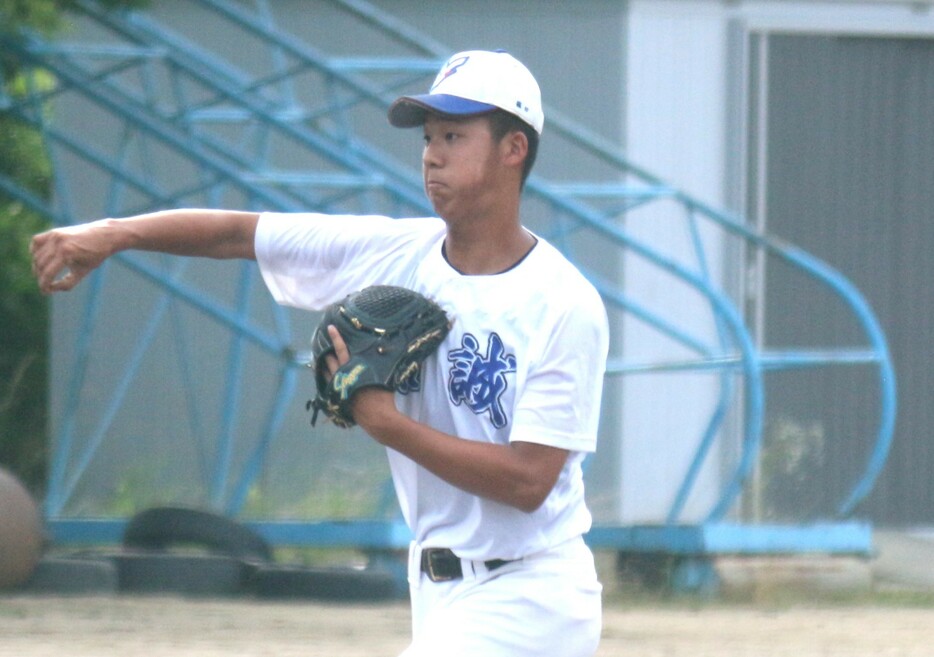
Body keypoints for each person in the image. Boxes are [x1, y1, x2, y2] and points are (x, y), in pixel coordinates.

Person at [31, 50, 609, 656]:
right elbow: (239, 233)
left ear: (513, 149)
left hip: (529, 592)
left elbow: (527, 481)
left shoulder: (563, 304)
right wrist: (114, 233)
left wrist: (384, 422)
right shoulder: (397, 254)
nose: (432, 154)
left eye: (455, 136)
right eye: (430, 136)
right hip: (438, 593)